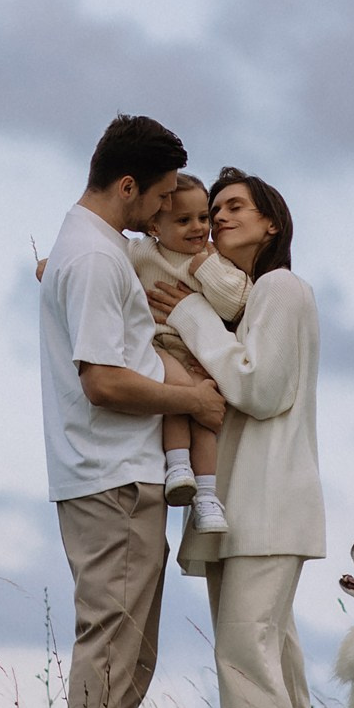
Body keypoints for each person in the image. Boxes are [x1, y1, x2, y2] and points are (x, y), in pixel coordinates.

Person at [39, 114, 228, 708]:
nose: (164, 215)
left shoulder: (95, 251)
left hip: (120, 476)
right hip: (109, 479)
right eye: (157, 200)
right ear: (127, 186)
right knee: (112, 654)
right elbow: (102, 381)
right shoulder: (92, 258)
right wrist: (193, 402)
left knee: (131, 657)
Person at [147, 166, 330, 708]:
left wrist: (188, 316)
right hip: (254, 510)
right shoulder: (246, 302)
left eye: (234, 207)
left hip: (268, 506)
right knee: (273, 664)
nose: (219, 217)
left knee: (245, 660)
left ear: (271, 224)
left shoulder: (282, 288)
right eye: (214, 208)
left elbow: (261, 386)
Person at [125, 173, 250, 535]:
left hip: (198, 354)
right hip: (159, 346)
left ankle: (207, 497)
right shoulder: (142, 252)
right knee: (180, 396)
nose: (198, 228)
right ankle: (178, 467)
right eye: (183, 220)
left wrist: (206, 267)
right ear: (154, 226)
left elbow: (234, 303)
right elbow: (98, 259)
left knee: (206, 414)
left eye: (203, 219)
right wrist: (52, 265)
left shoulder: (213, 261)